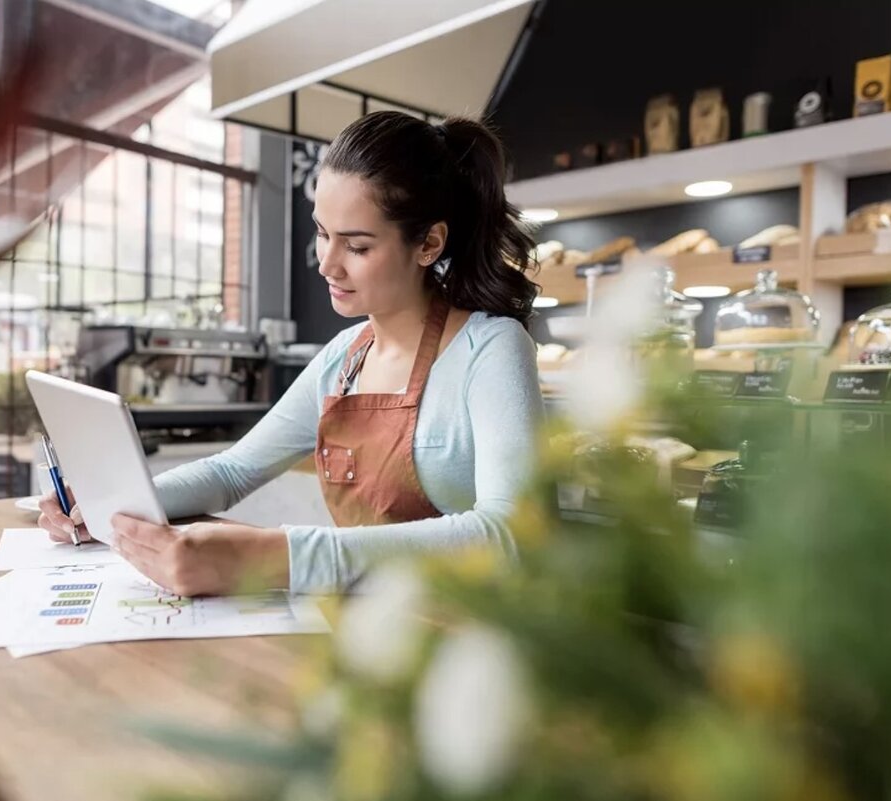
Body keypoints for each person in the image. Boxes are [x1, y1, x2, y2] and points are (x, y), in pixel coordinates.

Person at [38, 111, 544, 595]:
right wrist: (109, 504)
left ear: (429, 244)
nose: (327, 264)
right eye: (322, 233)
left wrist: (272, 556)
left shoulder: (491, 348)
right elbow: (231, 472)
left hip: (470, 640)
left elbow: (508, 535)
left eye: (358, 246)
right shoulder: (343, 358)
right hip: (373, 634)